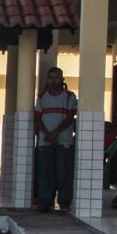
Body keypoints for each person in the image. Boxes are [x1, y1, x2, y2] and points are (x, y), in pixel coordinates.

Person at [34, 67, 78, 213]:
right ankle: (45, 202)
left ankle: (64, 203)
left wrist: (55, 133)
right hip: (45, 140)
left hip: (64, 141)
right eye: (51, 77)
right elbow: (37, 118)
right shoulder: (41, 97)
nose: (54, 81)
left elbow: (70, 117)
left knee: (64, 172)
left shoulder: (69, 96)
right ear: (47, 79)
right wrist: (47, 133)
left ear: (62, 79)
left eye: (57, 77)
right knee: (45, 173)